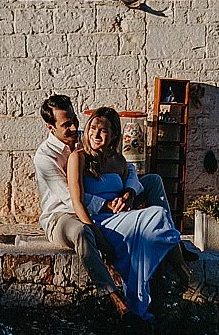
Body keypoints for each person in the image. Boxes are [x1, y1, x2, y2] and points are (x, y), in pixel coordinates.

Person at [67, 107, 202, 322]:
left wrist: (126, 196)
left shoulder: (118, 161)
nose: (96, 135)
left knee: (156, 218)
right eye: (93, 128)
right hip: (101, 221)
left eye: (103, 131)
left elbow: (131, 183)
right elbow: (77, 201)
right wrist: (97, 232)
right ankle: (187, 276)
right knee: (157, 214)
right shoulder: (79, 158)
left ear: (114, 136)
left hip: (123, 217)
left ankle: (163, 281)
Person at [34, 94, 142, 320]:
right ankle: (113, 296)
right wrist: (107, 204)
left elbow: (128, 168)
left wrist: (128, 193)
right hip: (62, 216)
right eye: (66, 124)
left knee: (152, 182)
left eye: (74, 119)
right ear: (50, 127)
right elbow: (69, 197)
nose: (74, 127)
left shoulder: (87, 138)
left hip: (104, 207)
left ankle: (173, 245)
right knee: (82, 231)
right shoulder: (45, 157)